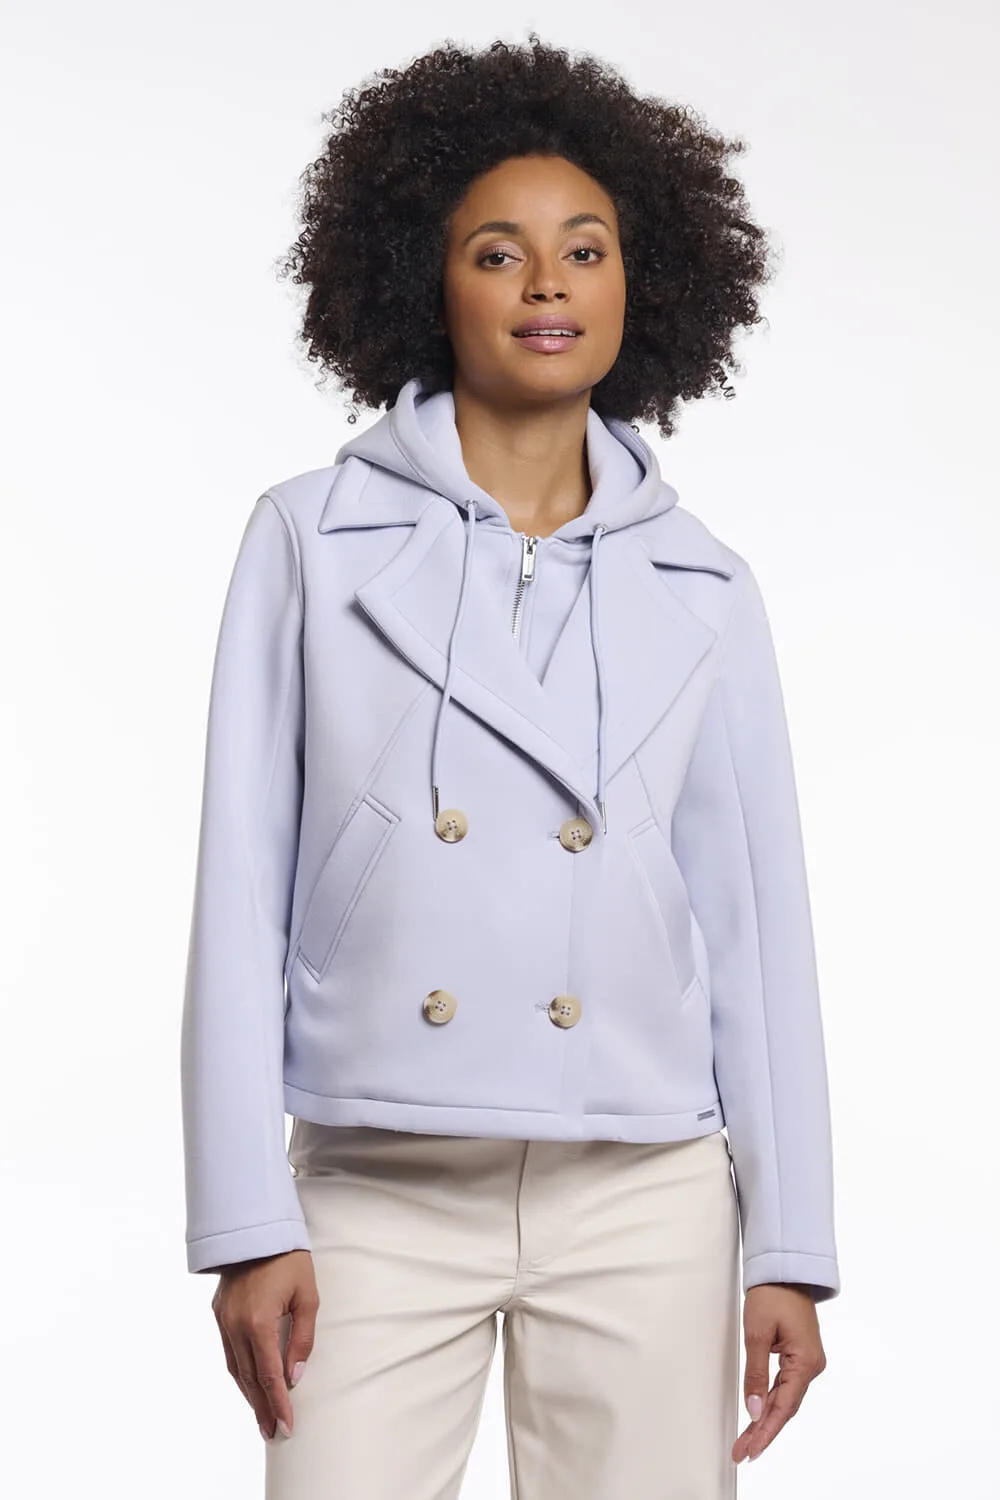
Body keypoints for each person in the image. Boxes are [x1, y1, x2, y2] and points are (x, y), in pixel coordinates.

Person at [180, 32, 840, 1500]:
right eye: (500, 252)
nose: (549, 284)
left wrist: (789, 1247)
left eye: (585, 250)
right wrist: (244, 1218)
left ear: (641, 283)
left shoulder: (707, 584)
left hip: (648, 1189)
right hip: (373, 1181)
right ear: (427, 280)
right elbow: (239, 887)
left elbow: (755, 926)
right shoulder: (310, 539)